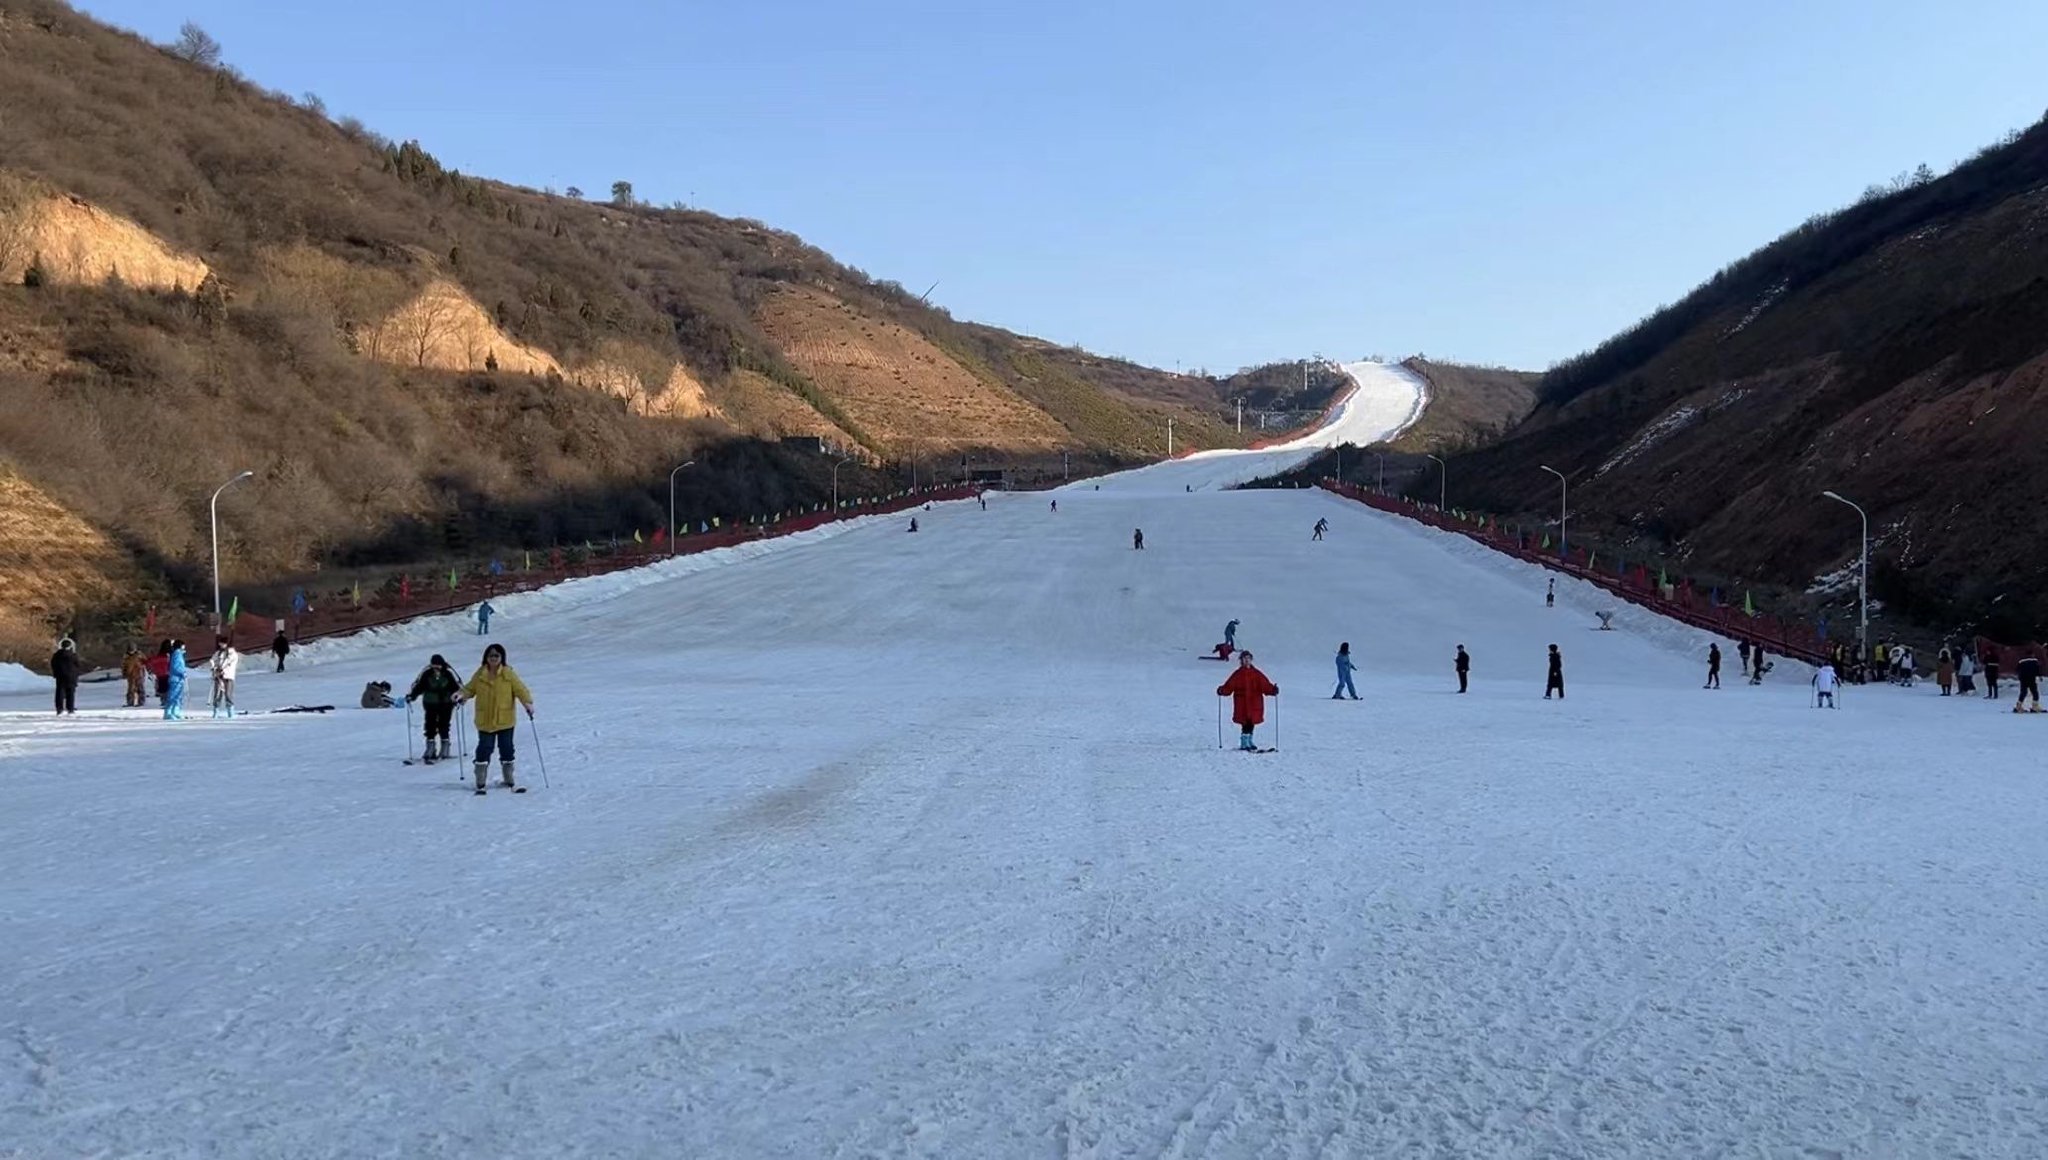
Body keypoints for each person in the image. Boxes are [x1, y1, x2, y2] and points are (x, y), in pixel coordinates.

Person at [457, 642, 535, 793]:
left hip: (505, 719)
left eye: (496, 655)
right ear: (486, 657)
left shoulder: (508, 673)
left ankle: (508, 777)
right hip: (485, 720)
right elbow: (469, 689)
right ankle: (480, 779)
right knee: (485, 748)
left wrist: (527, 703)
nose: (493, 658)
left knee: (507, 748)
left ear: (501, 657)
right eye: (491, 655)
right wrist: (461, 695)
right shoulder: (480, 674)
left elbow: (521, 690)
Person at [1217, 650, 1279, 751]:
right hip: (1242, 702)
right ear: (1241, 660)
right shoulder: (1237, 674)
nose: (1247, 661)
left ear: (1251, 660)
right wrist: (1222, 690)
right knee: (1245, 722)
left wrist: (1273, 690)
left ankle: (1249, 740)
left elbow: (1265, 685)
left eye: (1248, 659)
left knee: (1252, 722)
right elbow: (1229, 686)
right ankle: (1244, 741)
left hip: (1255, 702)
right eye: (1244, 659)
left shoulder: (1257, 674)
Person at [406, 654, 463, 763]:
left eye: (438, 665)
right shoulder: (427, 674)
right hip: (430, 703)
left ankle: (445, 748)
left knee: (444, 724)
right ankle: (430, 748)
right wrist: (412, 696)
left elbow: (455, 688)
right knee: (430, 724)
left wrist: (458, 697)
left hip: (446, 703)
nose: (436, 668)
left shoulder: (448, 674)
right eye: (434, 665)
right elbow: (419, 687)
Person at [209, 639, 240, 718]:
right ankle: (216, 710)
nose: (221, 645)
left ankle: (230, 711)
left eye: (223, 644)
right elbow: (212, 660)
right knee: (217, 694)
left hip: (228, 676)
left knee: (228, 694)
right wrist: (214, 668)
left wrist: (223, 670)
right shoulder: (218, 653)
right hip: (218, 676)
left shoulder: (232, 653)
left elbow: (231, 664)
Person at [50, 637, 81, 716]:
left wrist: (55, 673)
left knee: (60, 692)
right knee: (70, 693)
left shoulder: (56, 655)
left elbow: (53, 665)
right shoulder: (73, 655)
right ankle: (70, 708)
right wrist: (76, 674)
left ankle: (59, 709)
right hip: (71, 676)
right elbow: (78, 665)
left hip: (60, 676)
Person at [163, 640, 188, 720]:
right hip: (175, 678)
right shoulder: (177, 654)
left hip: (179, 679)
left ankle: (176, 711)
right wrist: (182, 672)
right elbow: (176, 667)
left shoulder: (179, 654)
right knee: (173, 695)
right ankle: (169, 712)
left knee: (178, 696)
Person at [147, 640, 172, 706]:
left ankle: (164, 700)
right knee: (167, 687)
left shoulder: (159, 656)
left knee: (162, 688)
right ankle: (166, 700)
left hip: (160, 674)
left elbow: (151, 662)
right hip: (166, 673)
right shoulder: (168, 656)